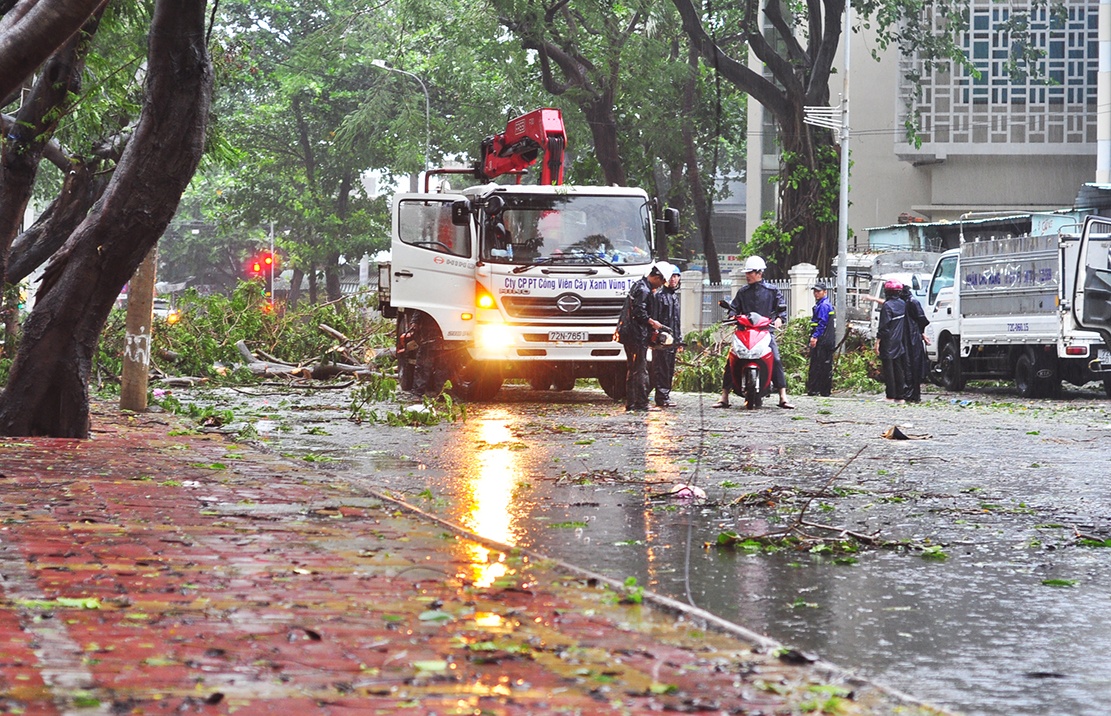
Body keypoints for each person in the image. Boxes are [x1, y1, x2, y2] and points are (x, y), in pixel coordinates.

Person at [714, 256, 795, 409]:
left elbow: (781, 309)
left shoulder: (772, 291)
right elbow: (733, 308)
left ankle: (783, 396)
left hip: (764, 332)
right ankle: (724, 396)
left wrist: (779, 319)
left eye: (750, 272)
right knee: (731, 359)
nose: (747, 275)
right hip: (744, 332)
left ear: (759, 273)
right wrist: (732, 315)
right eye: (747, 272)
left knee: (776, 359)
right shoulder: (742, 292)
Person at [616, 262, 669, 412]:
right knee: (640, 369)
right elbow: (640, 313)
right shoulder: (644, 290)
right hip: (636, 334)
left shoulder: (638, 285)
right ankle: (641, 403)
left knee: (633, 368)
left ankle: (632, 403)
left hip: (629, 333)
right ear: (657, 277)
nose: (660, 286)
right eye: (662, 281)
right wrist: (653, 323)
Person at [648, 264, 682, 407]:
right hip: (662, 339)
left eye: (676, 276)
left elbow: (676, 321)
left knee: (668, 367)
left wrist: (678, 340)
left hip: (671, 339)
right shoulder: (659, 296)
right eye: (671, 276)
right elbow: (655, 319)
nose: (674, 279)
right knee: (660, 368)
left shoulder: (674, 297)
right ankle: (661, 396)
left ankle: (664, 395)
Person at [874, 280, 908, 404]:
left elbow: (884, 327)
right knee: (898, 368)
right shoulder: (902, 304)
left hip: (888, 341)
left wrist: (877, 342)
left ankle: (890, 396)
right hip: (898, 340)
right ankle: (900, 396)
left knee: (888, 370)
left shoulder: (887, 306)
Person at [806, 282, 836, 397]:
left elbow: (822, 323)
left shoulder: (823, 306)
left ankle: (817, 390)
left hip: (823, 340)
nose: (816, 293)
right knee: (824, 365)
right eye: (815, 291)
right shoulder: (823, 304)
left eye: (818, 291)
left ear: (825, 292)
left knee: (819, 365)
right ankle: (823, 390)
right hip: (825, 339)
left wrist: (814, 337)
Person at [902, 284, 931, 402]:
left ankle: (912, 394)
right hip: (911, 336)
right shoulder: (907, 302)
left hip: (912, 337)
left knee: (912, 365)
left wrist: (920, 332)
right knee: (909, 365)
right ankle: (911, 394)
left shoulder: (911, 302)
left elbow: (922, 319)